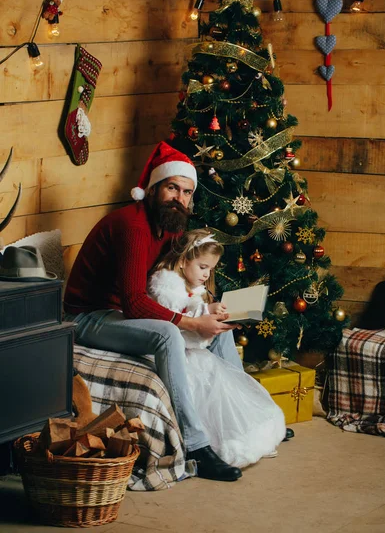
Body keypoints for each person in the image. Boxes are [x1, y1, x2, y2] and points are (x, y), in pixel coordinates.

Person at [64, 141, 243, 481]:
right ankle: (196, 445)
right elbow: (133, 302)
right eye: (172, 188)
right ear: (153, 189)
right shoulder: (133, 226)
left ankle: (246, 417)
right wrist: (191, 321)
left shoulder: (169, 224)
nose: (180, 198)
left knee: (218, 324)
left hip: (116, 314)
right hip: (87, 316)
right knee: (169, 333)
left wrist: (206, 311)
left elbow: (178, 276)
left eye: (187, 192)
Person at [148, 229, 287, 468]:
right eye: (202, 267)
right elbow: (174, 322)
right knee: (208, 374)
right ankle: (224, 438)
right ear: (183, 261)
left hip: (189, 345)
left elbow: (192, 309)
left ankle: (250, 420)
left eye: (210, 269)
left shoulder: (190, 283)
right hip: (175, 348)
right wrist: (205, 314)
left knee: (224, 333)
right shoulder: (165, 285)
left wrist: (211, 311)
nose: (206, 274)